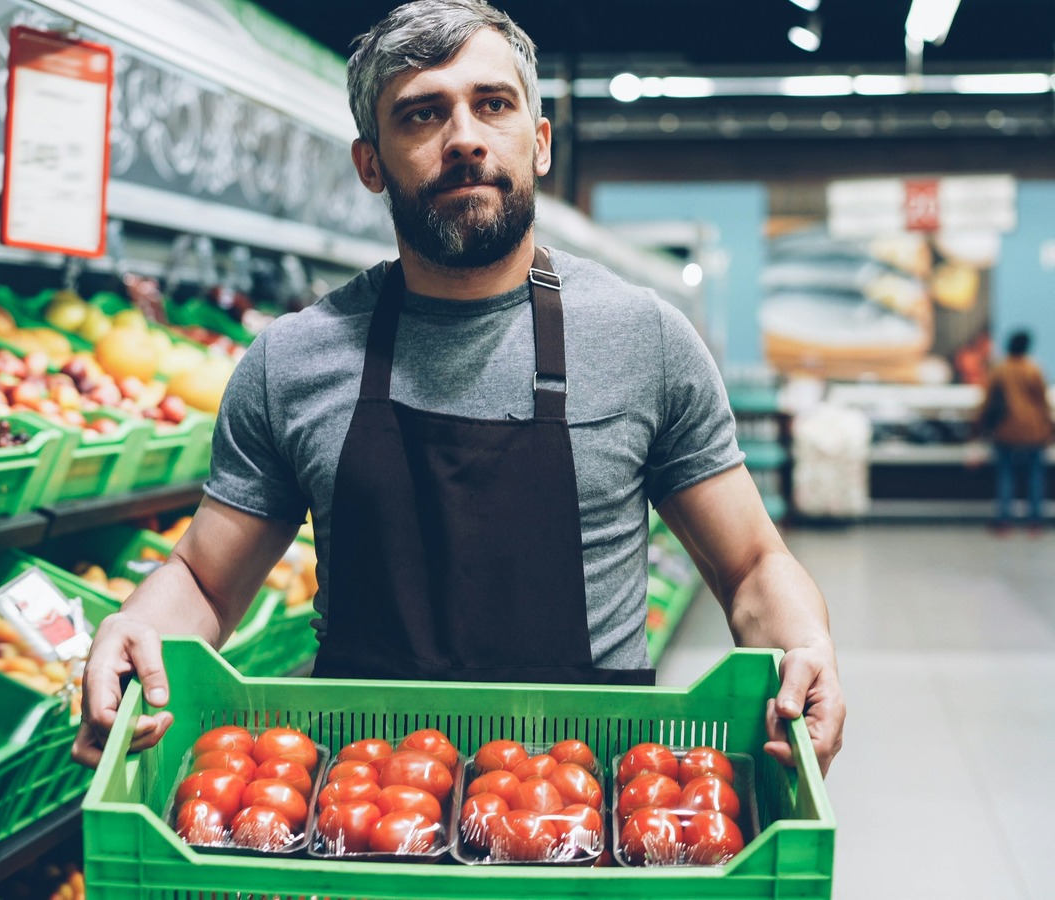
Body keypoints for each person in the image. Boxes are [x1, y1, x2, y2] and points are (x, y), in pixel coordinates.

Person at [73, 0, 845, 777]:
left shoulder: (645, 339)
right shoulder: (293, 361)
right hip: (365, 819)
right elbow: (206, 583)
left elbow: (749, 564)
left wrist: (804, 645)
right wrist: (135, 625)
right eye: (421, 115)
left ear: (538, 143)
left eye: (494, 105)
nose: (465, 138)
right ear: (370, 163)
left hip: (577, 814)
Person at [978, 329, 1052, 533]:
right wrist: (1049, 427)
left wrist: (979, 424)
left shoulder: (1000, 369)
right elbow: (1043, 402)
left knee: (1005, 474)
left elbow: (988, 401)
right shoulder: (1033, 369)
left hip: (1006, 429)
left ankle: (1004, 519)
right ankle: (1035, 520)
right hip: (1034, 430)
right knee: (1035, 475)